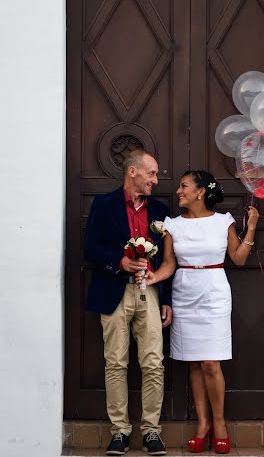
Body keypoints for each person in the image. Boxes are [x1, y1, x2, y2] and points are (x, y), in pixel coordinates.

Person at [136, 170, 259, 454]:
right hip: (184, 292)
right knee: (193, 362)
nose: (178, 191)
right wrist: (155, 277)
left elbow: (238, 259)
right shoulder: (172, 225)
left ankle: (219, 423)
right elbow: (168, 263)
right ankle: (202, 424)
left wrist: (251, 227)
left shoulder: (222, 222)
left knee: (210, 364)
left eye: (184, 186)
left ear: (201, 191)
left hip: (214, 293)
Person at [84, 149, 172, 456]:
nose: (155, 180)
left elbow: (171, 258)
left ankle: (151, 432)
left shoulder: (161, 210)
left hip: (150, 292)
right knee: (116, 363)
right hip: (113, 292)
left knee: (153, 363)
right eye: (151, 173)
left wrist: (167, 299)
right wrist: (119, 262)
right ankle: (119, 432)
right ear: (132, 172)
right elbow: (90, 249)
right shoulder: (104, 205)